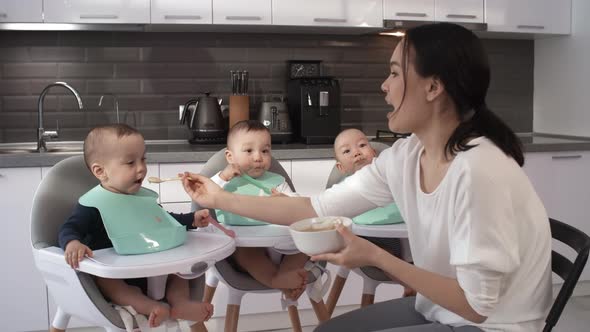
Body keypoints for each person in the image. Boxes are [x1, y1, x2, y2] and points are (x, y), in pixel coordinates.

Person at [181, 22, 552, 332]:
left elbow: (477, 306)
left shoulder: (479, 170)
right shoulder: (407, 155)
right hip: (439, 309)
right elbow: (317, 207)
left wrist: (377, 257)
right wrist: (220, 198)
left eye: (393, 73)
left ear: (434, 87)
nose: (384, 86)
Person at [58, 124, 214, 329]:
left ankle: (180, 303)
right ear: (100, 171)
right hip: (119, 276)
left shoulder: (143, 198)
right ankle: (147, 306)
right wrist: (72, 243)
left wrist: (191, 219)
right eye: (130, 162)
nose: (141, 168)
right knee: (110, 285)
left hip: (155, 265)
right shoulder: (93, 204)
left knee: (178, 273)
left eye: (143, 159)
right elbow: (69, 228)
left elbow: (164, 219)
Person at [210, 120, 308, 300]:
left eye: (265, 151)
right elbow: (207, 195)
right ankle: (274, 279)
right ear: (230, 157)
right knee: (246, 254)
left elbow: (299, 205)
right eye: (249, 151)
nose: (258, 157)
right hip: (246, 247)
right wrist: (223, 176)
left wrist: (286, 200)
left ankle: (286, 274)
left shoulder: (276, 181)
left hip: (282, 246)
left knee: (306, 246)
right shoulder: (226, 182)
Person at [333, 128, 416, 298]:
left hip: (408, 236)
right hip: (368, 240)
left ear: (374, 153)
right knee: (386, 255)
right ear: (340, 167)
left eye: (362, 145)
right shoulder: (344, 189)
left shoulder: (391, 178)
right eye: (347, 151)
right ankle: (409, 285)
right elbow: (328, 207)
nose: (356, 152)